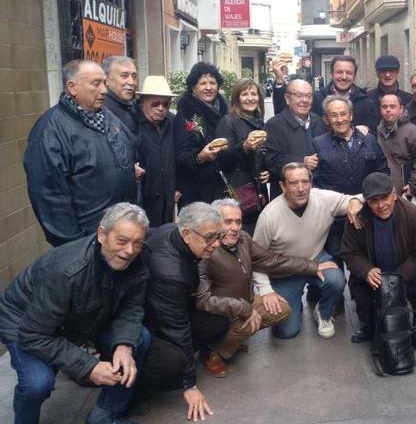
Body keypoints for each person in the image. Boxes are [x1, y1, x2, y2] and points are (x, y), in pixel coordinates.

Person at [0, 203, 151, 424]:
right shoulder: (65, 271)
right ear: (102, 235)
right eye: (122, 241)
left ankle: (104, 417)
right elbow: (34, 334)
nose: (129, 251)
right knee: (37, 383)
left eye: (137, 243)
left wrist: (124, 344)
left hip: (79, 315)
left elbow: (132, 306)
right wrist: (87, 366)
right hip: (25, 321)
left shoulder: (137, 259)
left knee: (140, 337)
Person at [195, 199, 338, 377]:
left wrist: (312, 266)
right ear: (215, 223)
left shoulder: (243, 239)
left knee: (282, 310)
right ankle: (213, 352)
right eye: (228, 221)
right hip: (220, 313)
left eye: (238, 222)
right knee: (247, 325)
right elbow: (202, 300)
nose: (235, 227)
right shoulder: (205, 251)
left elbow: (270, 260)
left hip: (244, 300)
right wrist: (243, 308)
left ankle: (231, 339)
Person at [24, 59, 138, 246]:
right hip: (87, 241)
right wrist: (76, 247)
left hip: (121, 233)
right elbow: (50, 198)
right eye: (96, 84)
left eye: (104, 83)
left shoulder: (107, 117)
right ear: (72, 87)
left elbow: (128, 147)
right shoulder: (49, 131)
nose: (104, 90)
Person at [252, 162, 363, 339]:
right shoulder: (269, 216)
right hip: (284, 272)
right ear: (282, 186)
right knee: (286, 332)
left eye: (305, 181)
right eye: (294, 183)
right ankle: (294, 302)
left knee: (336, 280)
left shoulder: (322, 199)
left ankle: (323, 313)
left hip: (316, 260)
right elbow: (256, 257)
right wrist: (266, 290)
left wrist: (355, 201)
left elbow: (356, 198)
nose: (301, 188)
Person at [140, 203, 230, 421]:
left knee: (218, 322)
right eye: (210, 237)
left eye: (219, 235)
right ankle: (140, 385)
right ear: (188, 234)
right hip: (149, 322)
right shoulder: (171, 274)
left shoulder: (173, 229)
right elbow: (177, 328)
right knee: (175, 359)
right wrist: (189, 384)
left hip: (166, 307)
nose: (216, 244)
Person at [340, 173, 416, 354]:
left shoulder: (414, 215)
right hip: (373, 275)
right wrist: (366, 270)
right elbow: (349, 252)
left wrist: (395, 279)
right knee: (362, 295)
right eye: (374, 201)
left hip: (405, 274)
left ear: (394, 194)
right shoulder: (356, 217)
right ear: (366, 200)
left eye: (385, 198)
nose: (381, 205)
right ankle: (369, 328)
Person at [313, 95, 389, 279]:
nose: (339, 119)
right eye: (334, 115)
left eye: (343, 114)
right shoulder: (318, 144)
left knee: (366, 260)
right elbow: (314, 183)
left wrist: (368, 198)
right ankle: (338, 302)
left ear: (351, 115)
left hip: (366, 213)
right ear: (326, 119)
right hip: (335, 218)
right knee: (335, 266)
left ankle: (364, 297)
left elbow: (382, 172)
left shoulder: (369, 140)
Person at [215, 79, 271, 234]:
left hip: (258, 194)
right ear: (236, 99)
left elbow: (265, 155)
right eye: (244, 94)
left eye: (254, 94)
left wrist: (268, 172)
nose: (250, 98)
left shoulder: (260, 123)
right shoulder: (228, 122)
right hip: (240, 194)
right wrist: (244, 147)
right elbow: (222, 160)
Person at [173, 62, 229, 207]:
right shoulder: (186, 114)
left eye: (212, 83)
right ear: (193, 87)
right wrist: (200, 157)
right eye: (203, 83)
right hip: (197, 189)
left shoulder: (226, 111)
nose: (209, 88)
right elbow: (181, 155)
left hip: (224, 185)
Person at [264, 78, 327, 199]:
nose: (304, 100)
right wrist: (301, 161)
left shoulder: (318, 121)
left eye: (308, 96)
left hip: (318, 193)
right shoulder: (274, 125)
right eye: (299, 96)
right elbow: (270, 160)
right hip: (287, 196)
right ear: (287, 98)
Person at [376, 91, 416, 212]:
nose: (388, 110)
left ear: (401, 109)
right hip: (383, 196)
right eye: (384, 107)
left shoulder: (415, 134)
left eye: (392, 107)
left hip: (408, 196)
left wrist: (413, 186)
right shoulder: (378, 133)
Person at [134, 75, 178, 226]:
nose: (161, 108)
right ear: (143, 102)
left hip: (168, 200)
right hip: (142, 200)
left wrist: (178, 187)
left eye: (165, 104)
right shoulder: (131, 122)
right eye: (155, 103)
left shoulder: (173, 121)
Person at [313, 55, 377, 132]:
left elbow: (374, 133)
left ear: (354, 76)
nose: (344, 77)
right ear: (331, 74)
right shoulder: (317, 99)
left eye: (349, 73)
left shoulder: (366, 102)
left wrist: (367, 129)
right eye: (339, 72)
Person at [102, 56, 140, 134]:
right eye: (124, 76)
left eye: (134, 76)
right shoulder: (100, 110)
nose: (131, 82)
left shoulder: (134, 108)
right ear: (106, 79)